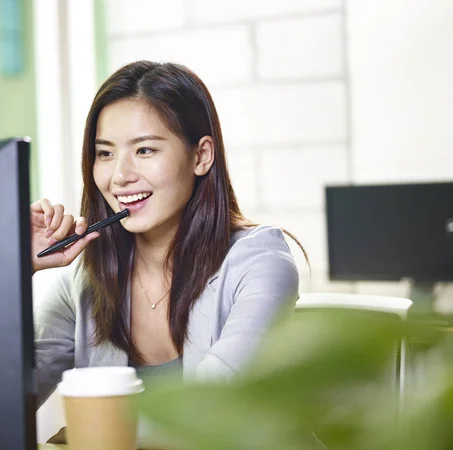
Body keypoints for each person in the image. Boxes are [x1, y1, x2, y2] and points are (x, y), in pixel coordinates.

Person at [31, 60, 303, 408]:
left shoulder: (260, 263)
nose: (119, 176)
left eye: (145, 150)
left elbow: (210, 412)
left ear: (201, 156)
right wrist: (14, 265)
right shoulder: (85, 281)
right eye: (105, 153)